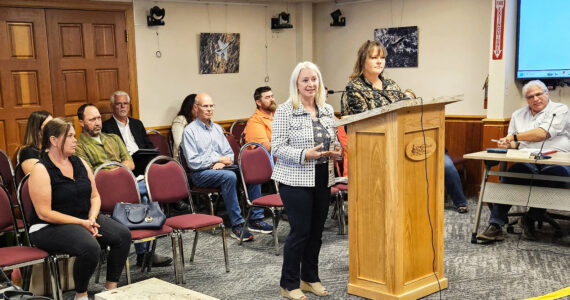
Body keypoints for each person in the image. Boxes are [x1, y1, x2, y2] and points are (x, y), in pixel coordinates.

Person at [28, 117, 131, 300]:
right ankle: (81, 295)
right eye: (69, 136)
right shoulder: (41, 169)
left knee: (122, 235)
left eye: (75, 136)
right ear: (53, 140)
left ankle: (110, 290)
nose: (75, 140)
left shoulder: (79, 163)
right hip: (48, 226)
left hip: (84, 218)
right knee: (90, 247)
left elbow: (95, 196)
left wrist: (91, 218)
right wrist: (82, 223)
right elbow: (44, 213)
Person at [272, 62, 342, 300]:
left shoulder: (327, 109)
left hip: (324, 176)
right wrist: (304, 155)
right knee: (300, 231)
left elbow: (333, 139)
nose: (311, 84)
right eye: (305, 80)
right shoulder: (285, 110)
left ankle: (310, 278)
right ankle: (289, 284)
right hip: (295, 179)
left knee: (316, 232)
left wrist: (337, 151)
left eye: (314, 79)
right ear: (297, 84)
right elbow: (277, 148)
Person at [75, 104, 172, 267]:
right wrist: (117, 171)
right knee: (142, 195)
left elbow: (130, 163)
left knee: (148, 190)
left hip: (126, 186)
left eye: (99, 118)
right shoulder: (79, 147)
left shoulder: (113, 138)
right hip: (102, 192)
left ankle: (146, 248)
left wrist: (113, 170)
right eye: (92, 120)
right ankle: (144, 251)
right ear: (81, 123)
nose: (98, 122)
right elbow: (91, 173)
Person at [477, 80, 570, 242]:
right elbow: (514, 143)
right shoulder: (517, 115)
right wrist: (507, 143)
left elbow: (543, 134)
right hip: (527, 158)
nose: (535, 99)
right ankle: (495, 225)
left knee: (554, 175)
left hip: (556, 160)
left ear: (546, 93)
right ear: (526, 99)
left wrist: (513, 137)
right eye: (530, 97)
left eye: (538, 94)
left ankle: (530, 218)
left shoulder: (560, 110)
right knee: (513, 175)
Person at [181, 92, 273, 240]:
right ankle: (237, 225)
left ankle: (256, 219)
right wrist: (216, 159)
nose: (210, 109)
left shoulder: (217, 128)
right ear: (196, 108)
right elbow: (193, 162)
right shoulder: (189, 131)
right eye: (205, 106)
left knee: (250, 171)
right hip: (200, 174)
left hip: (222, 168)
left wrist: (221, 161)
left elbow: (229, 155)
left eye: (211, 106)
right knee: (229, 177)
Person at [341, 40, 405, 116]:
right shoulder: (353, 88)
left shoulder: (391, 84)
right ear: (363, 61)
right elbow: (364, 121)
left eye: (382, 57)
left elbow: (404, 111)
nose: (379, 61)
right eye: (374, 58)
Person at [243, 86, 276, 151]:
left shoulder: (279, 114)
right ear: (258, 103)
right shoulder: (254, 121)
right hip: (266, 159)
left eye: (272, 96)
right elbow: (264, 147)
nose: (272, 100)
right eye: (267, 98)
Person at [171, 94, 197, 161]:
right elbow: (179, 143)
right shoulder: (180, 120)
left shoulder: (204, 120)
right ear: (189, 106)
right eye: (196, 106)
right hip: (184, 158)